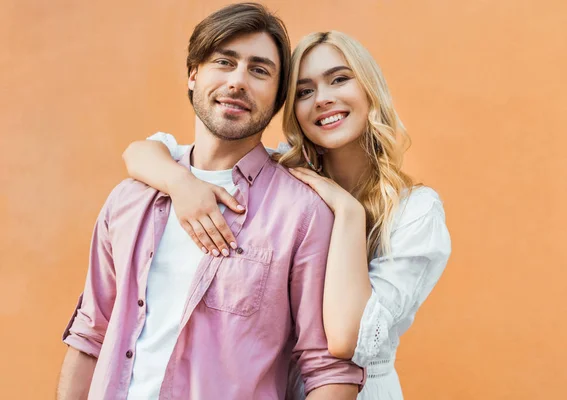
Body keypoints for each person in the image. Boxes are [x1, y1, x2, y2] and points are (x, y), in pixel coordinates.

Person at [57, 4, 365, 400]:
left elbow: (328, 369)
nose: (237, 82)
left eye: (259, 70)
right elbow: (90, 334)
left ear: (277, 97)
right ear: (193, 74)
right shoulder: (130, 199)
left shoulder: (303, 213)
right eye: (224, 61)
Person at [123, 29, 452, 400]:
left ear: (369, 89)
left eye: (339, 79)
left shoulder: (415, 212)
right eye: (305, 91)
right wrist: (182, 186)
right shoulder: (286, 177)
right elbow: (142, 152)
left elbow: (345, 339)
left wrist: (347, 211)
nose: (323, 99)